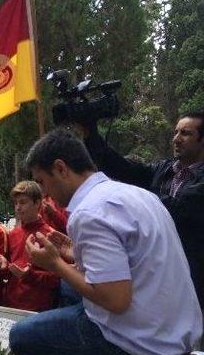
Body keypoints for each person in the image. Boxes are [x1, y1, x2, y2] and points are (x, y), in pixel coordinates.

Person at [9, 129, 202, 355]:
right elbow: (132, 262)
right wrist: (74, 254)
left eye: (43, 183)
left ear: (61, 168)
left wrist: (55, 264)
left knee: (21, 337)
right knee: (67, 288)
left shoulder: (89, 212)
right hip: (176, 337)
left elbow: (115, 299)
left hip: (145, 351)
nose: (45, 195)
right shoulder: (136, 194)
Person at [81, 111, 204, 308]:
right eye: (176, 132)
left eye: (186, 133)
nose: (177, 139)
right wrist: (91, 134)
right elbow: (124, 169)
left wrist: (135, 194)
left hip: (193, 277)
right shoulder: (163, 170)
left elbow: (181, 209)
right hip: (158, 272)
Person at [0, 181, 60, 311]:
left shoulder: (51, 236)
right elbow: (10, 272)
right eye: (16, 203)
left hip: (38, 309)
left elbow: (58, 279)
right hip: (11, 304)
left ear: (37, 203)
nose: (18, 207)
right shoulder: (12, 234)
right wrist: (4, 265)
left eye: (23, 202)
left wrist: (30, 276)